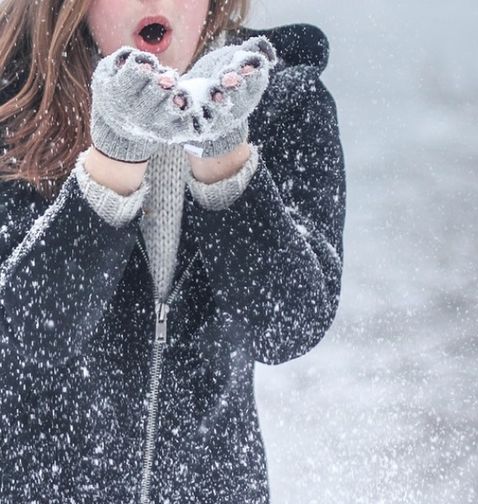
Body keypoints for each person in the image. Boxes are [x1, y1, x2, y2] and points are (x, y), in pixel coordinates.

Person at [0, 0, 346, 502]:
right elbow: (23, 337)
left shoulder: (283, 103)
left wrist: (225, 156)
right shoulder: (13, 109)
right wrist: (112, 161)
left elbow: (288, 326)